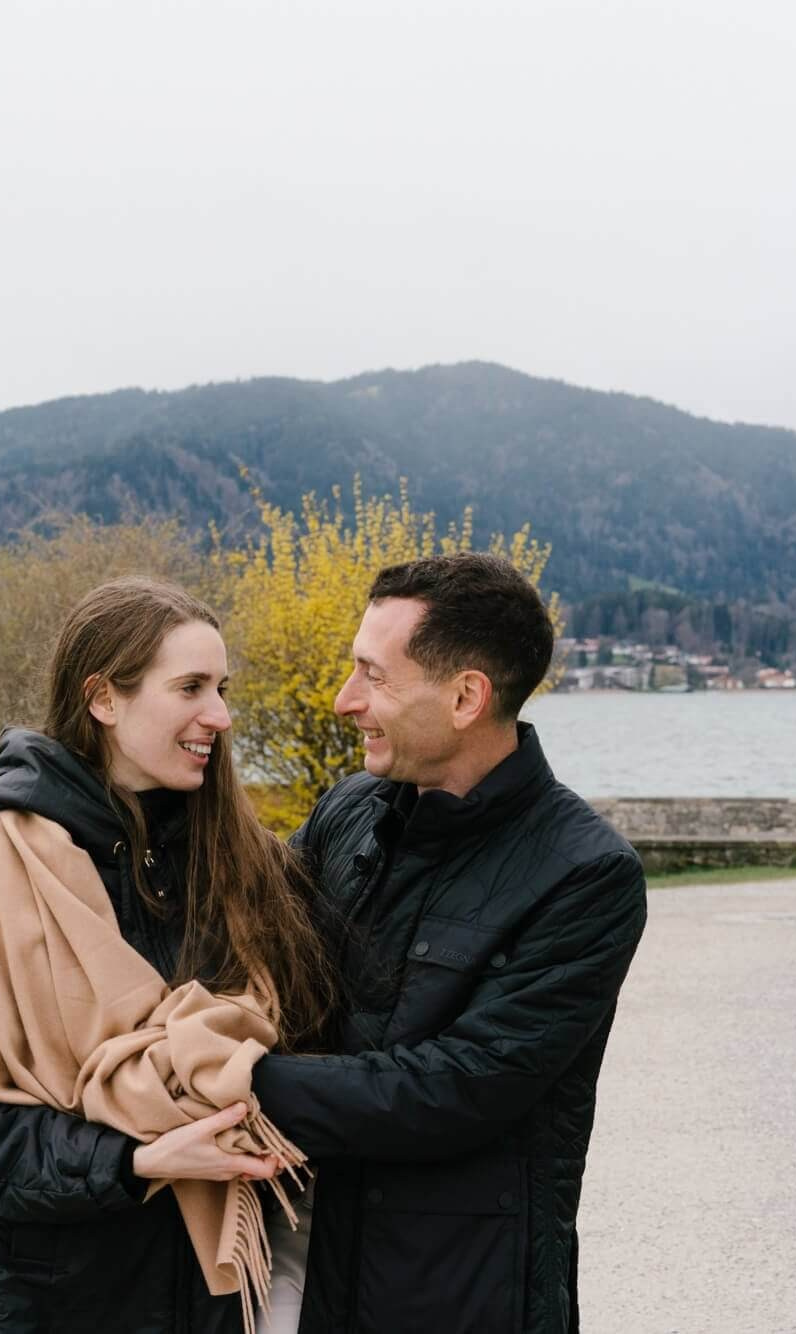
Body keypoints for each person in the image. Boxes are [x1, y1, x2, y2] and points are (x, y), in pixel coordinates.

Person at [0, 576, 331, 1334]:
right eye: (189, 687)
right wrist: (133, 1161)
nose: (219, 716)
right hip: (36, 1298)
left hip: (210, 1296)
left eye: (221, 688)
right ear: (103, 698)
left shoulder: (240, 865)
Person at [246, 552, 650, 1333]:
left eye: (374, 675)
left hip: (459, 1296)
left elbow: (454, 1089)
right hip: (302, 1267)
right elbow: (253, 947)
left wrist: (236, 1080)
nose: (344, 701)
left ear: (467, 696)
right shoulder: (350, 810)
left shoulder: (587, 875)